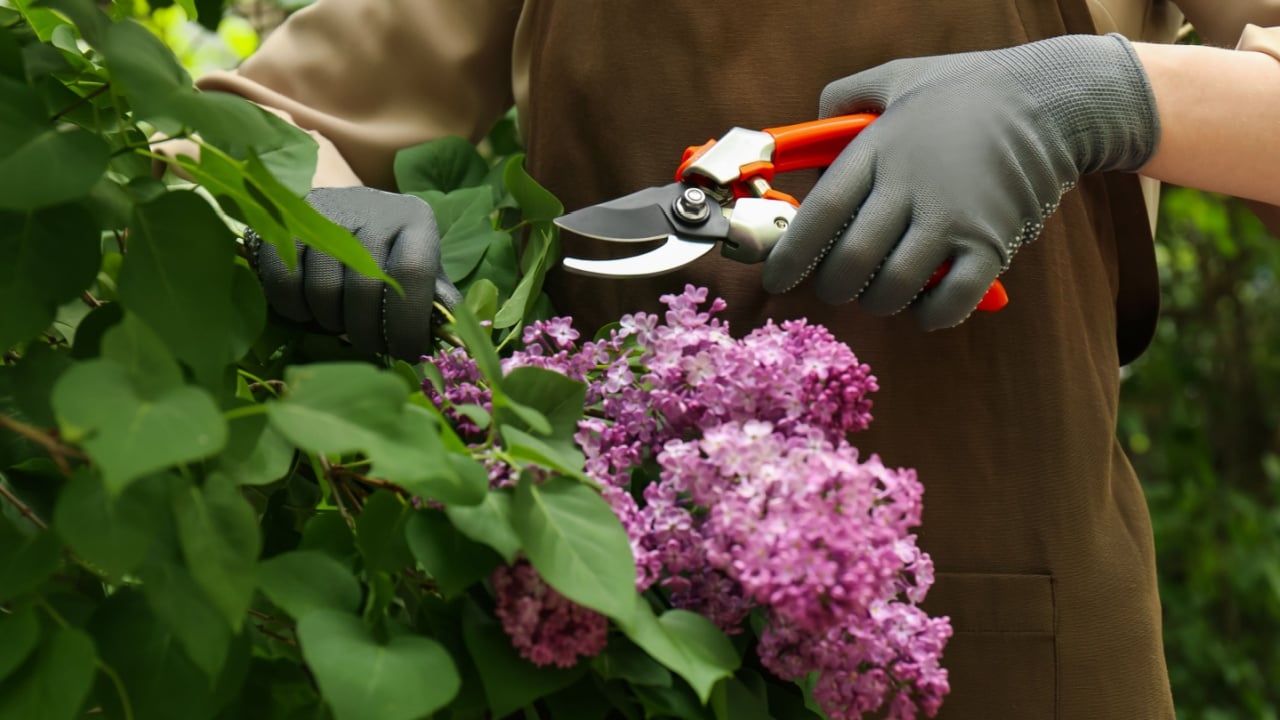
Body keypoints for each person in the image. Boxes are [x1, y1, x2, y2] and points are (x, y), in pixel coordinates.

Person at [185, 2, 1280, 717]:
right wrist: (308, 194)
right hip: (628, 649)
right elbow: (236, 127)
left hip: (1031, 660)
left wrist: (1093, 96)